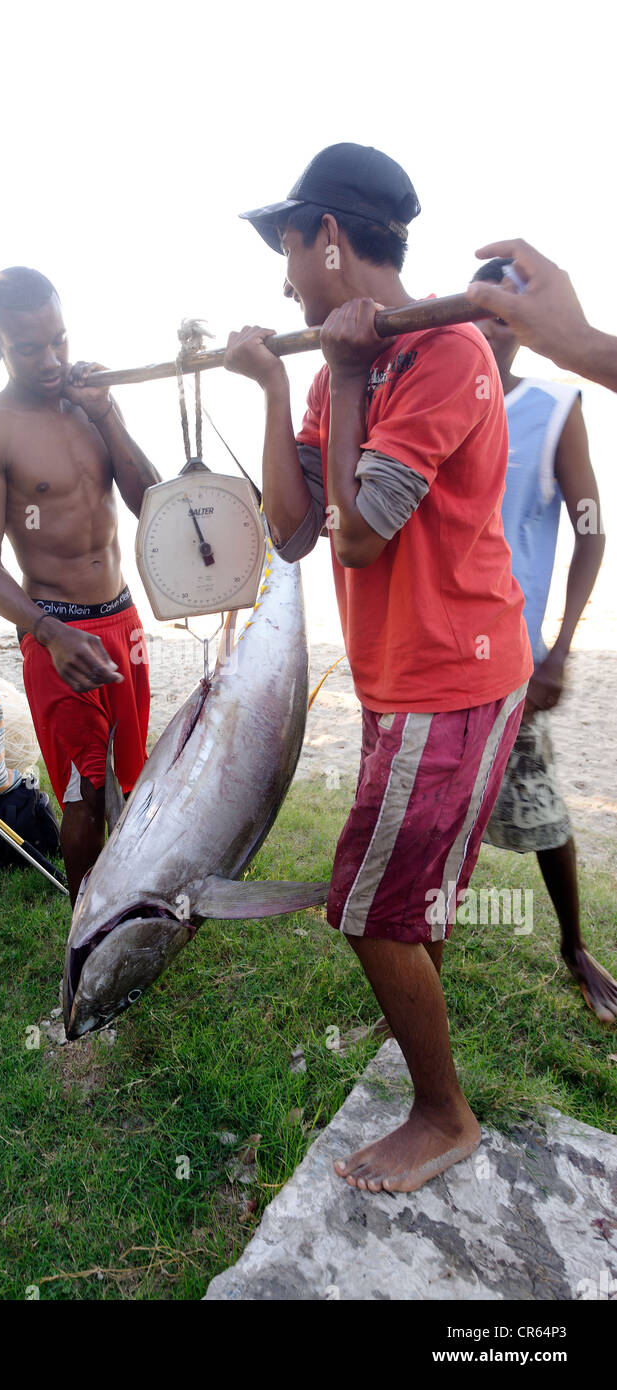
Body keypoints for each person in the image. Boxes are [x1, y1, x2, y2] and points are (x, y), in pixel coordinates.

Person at [225, 143, 532, 1193]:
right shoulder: (340, 367)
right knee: (411, 898)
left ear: (329, 238)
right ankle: (423, 1050)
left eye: (288, 251)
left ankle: (444, 1114)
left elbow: (364, 538)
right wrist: (281, 387)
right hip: (401, 678)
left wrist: (349, 373)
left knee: (362, 905)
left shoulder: (444, 354)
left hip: (453, 674)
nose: (282, 282)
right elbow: (296, 528)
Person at [0, 267, 160, 901]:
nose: (51, 360)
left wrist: (110, 417)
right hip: (55, 629)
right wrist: (48, 633)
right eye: (29, 348)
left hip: (123, 620)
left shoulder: (92, 402)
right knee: (83, 794)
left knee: (132, 778)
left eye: (59, 341)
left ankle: (129, 907)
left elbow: (152, 501)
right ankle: (86, 930)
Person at [471, 258, 613, 1021]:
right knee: (439, 807)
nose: (494, 321)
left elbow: (590, 534)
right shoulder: (435, 395)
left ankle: (572, 947)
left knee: (539, 806)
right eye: (484, 305)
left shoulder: (555, 407)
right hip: (439, 650)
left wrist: (558, 648)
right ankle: (423, 932)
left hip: (516, 653)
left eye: (510, 308)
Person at [466, 240, 617, 391]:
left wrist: (579, 342)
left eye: (501, 319)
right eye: (470, 316)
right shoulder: (444, 387)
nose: (482, 330)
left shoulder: (557, 401)